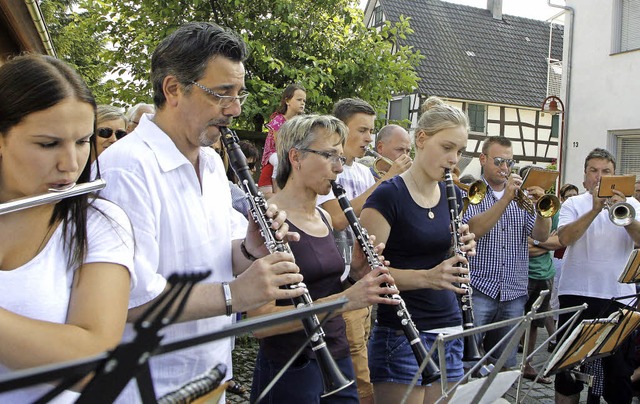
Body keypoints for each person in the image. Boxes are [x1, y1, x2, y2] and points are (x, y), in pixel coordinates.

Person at [97, 22, 305, 400]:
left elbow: (222, 256)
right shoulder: (126, 167)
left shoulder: (210, 162)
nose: (236, 109)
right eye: (222, 94)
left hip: (210, 378)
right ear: (173, 89)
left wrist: (251, 249)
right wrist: (235, 296)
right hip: (148, 387)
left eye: (239, 93)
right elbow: (128, 300)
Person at [0, 54, 134, 402]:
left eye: (81, 142)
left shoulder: (99, 223)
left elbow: (92, 366)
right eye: (48, 144)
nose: (71, 164)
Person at [249, 114, 399, 403]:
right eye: (329, 155)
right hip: (291, 366)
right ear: (296, 157)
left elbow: (321, 289)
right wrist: (345, 301)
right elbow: (261, 324)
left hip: (336, 355)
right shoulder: (268, 220)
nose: (338, 168)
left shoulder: (323, 216)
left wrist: (355, 274)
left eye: (340, 157)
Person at [360, 96, 475, 403]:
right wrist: (428, 277)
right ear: (421, 140)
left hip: (450, 328)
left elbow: (444, 260)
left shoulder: (451, 195)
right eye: (447, 147)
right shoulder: (388, 196)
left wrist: (462, 247)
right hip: (402, 334)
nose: (454, 159)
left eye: (460, 151)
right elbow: (366, 273)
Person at [315, 98, 410, 403]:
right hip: (337, 280)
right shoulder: (331, 169)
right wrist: (387, 179)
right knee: (356, 367)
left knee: (360, 356)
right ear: (341, 129)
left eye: (372, 131)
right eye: (363, 130)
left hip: (359, 278)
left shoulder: (364, 172)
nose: (370, 138)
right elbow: (338, 217)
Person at [555, 148, 640, 404]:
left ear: (615, 177)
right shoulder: (573, 203)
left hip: (619, 297)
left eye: (606, 172)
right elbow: (565, 239)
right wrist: (594, 209)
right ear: (584, 177)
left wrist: (624, 213)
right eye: (593, 171)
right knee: (568, 371)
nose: (599, 177)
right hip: (576, 293)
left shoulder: (632, 204)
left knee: (618, 372)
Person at [462, 136, 551, 370]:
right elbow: (473, 231)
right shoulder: (473, 192)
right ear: (483, 159)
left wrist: (543, 209)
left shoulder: (522, 198)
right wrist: (506, 199)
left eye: (509, 162)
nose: (505, 168)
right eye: (499, 161)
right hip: (479, 288)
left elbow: (541, 236)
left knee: (505, 365)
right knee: (467, 363)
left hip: (514, 290)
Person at [518, 166, 563, 384]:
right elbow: (517, 246)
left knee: (535, 323)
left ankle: (526, 364)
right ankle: (505, 365)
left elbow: (556, 242)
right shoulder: (517, 205)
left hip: (544, 273)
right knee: (516, 321)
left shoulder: (550, 206)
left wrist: (537, 243)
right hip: (521, 272)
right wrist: (543, 244)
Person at [258, 84, 306, 198]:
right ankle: (278, 189)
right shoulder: (279, 119)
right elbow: (279, 143)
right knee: (279, 161)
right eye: (299, 99)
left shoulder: (300, 122)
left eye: (304, 100)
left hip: (290, 152)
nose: (302, 103)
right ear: (287, 101)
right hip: (274, 152)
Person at [548, 183, 579, 352]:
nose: (572, 199)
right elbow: (553, 238)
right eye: (568, 196)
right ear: (562, 198)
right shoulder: (559, 214)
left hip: (573, 262)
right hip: (558, 260)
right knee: (554, 301)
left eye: (575, 195)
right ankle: (555, 338)